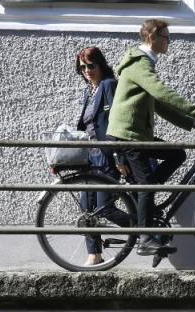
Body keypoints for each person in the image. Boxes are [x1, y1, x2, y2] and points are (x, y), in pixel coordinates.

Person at [107, 19, 195, 256]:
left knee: (176, 154)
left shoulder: (145, 63)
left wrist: (190, 122)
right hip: (128, 135)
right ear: (151, 38)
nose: (169, 41)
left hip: (137, 134)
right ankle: (145, 239)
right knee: (147, 185)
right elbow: (162, 92)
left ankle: (144, 197)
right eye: (165, 37)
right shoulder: (139, 63)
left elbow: (157, 104)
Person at [74, 46, 126, 266]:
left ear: (101, 65)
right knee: (87, 211)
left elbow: (117, 123)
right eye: (83, 67)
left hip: (106, 157)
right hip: (89, 160)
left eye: (91, 66)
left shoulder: (108, 85)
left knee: (106, 208)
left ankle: (145, 228)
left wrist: (119, 157)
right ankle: (94, 254)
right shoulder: (89, 91)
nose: (87, 71)